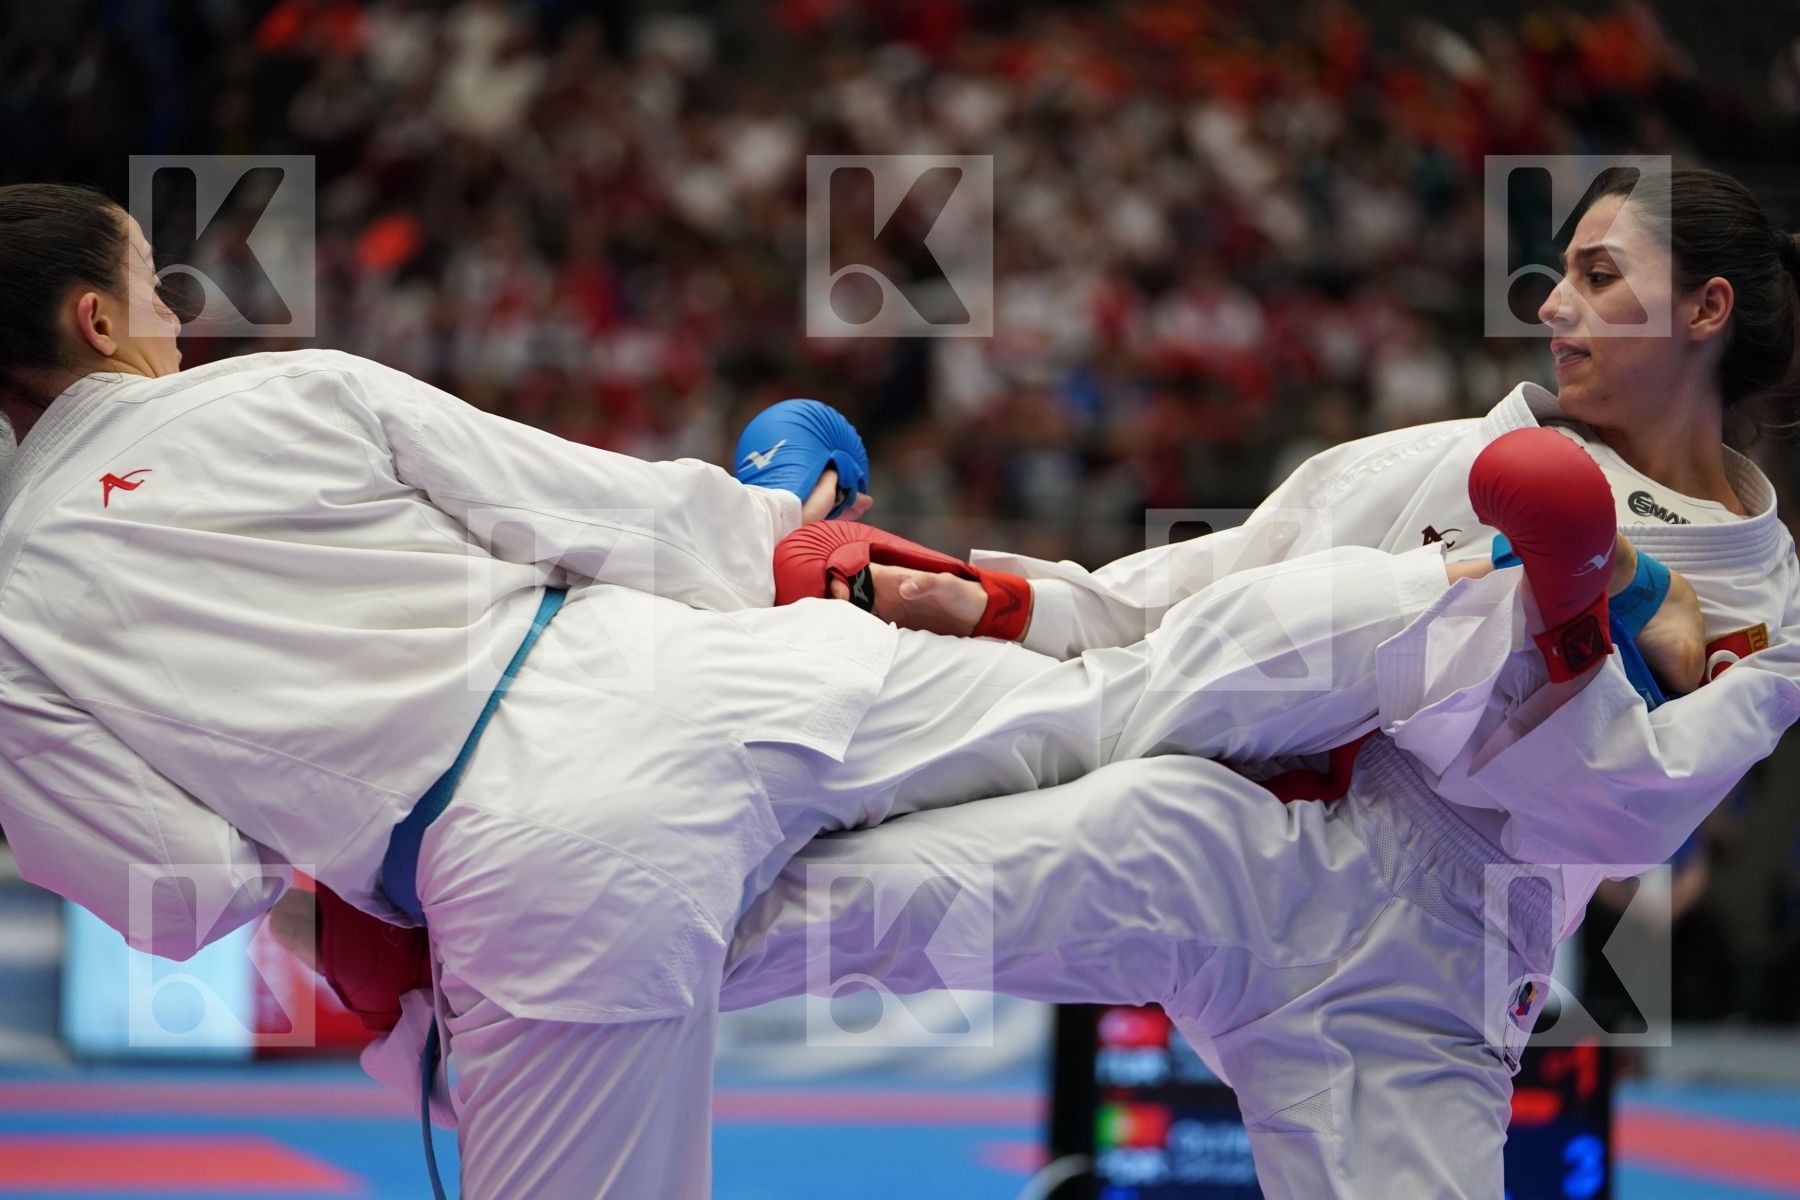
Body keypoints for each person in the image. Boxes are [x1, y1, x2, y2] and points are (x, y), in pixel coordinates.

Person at [0, 181, 1560, 1199]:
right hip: (704, 677)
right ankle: (1493, 599)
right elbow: (592, 512)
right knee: (1123, 682)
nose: (177, 322)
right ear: (93, 324)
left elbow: (183, 897)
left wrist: (346, 900)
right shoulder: (285, 389)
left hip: (527, 870)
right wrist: (778, 523)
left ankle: (1479, 622)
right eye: (153, 293)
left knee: (833, 924)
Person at [716, 166, 1800, 1198]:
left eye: (1600, 276)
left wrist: (1580, 609)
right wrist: (1000, 601)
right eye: (1562, 273)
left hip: (1438, 971)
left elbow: (1617, 822)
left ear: (1706, 310)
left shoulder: (1767, 602)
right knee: (812, 915)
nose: (1556, 306)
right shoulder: (1461, 457)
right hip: (1233, 836)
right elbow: (1190, 589)